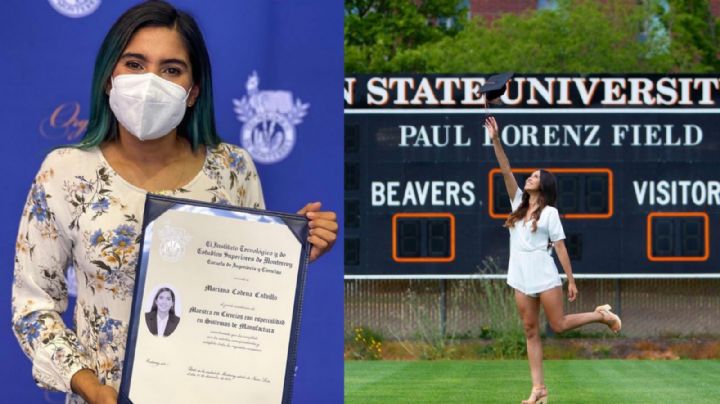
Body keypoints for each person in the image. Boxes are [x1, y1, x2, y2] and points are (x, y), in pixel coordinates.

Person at [11, 2, 338, 403]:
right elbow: (33, 307)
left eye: (171, 69)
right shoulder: (64, 172)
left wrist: (292, 253)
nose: (151, 81)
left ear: (192, 91)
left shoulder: (232, 169)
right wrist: (89, 386)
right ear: (109, 78)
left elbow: (243, 293)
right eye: (134, 64)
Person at [485, 116, 621, 404]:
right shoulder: (517, 203)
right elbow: (504, 168)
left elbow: (560, 248)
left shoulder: (550, 214)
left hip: (544, 272)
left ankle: (601, 316)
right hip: (519, 273)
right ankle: (539, 391)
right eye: (531, 175)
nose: (529, 177)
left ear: (543, 185)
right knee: (530, 329)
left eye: (535, 176)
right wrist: (496, 139)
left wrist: (570, 280)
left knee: (557, 325)